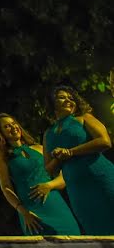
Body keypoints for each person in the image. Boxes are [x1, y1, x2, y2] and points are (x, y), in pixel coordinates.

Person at [0, 113, 79, 235]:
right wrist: (24, 212)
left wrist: (49, 186)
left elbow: (62, 178)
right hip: (31, 211)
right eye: (7, 126)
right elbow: (5, 187)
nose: (13, 127)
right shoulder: (3, 156)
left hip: (55, 205)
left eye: (13, 123)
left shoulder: (40, 148)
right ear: (0, 133)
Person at [43, 85, 114, 234]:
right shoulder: (48, 134)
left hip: (101, 179)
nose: (68, 100)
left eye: (71, 98)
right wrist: (59, 158)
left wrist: (70, 152)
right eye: (62, 97)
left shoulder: (84, 118)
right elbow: (49, 169)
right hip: (77, 190)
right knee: (95, 229)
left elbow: (105, 141)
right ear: (52, 103)